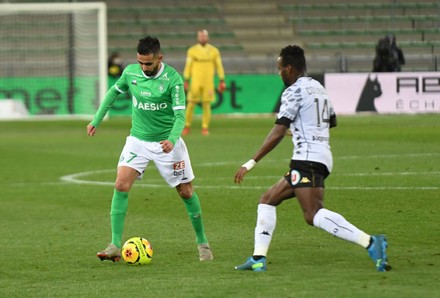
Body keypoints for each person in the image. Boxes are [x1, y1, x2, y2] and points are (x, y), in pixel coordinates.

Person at [234, 45, 391, 272]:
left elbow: (278, 130)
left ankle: (370, 242)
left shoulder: (293, 91)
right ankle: (258, 258)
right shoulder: (318, 87)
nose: (279, 74)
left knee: (313, 214)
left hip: (306, 159)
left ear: (289, 68)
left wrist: (251, 162)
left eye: (280, 69)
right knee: (267, 199)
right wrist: (304, 128)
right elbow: (332, 120)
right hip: (319, 155)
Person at [87, 36, 213, 262]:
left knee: (186, 192)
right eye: (140, 63)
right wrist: (96, 119)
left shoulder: (173, 79)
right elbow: (113, 92)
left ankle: (202, 242)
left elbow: (179, 116)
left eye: (148, 63)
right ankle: (115, 244)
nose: (144, 68)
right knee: (121, 184)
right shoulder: (131, 73)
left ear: (159, 58)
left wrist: (172, 140)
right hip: (138, 140)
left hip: (167, 143)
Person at [182, 29, 226, 136]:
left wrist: (222, 80)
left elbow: (219, 65)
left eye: (204, 36)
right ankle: (186, 126)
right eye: (200, 36)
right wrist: (186, 79)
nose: (202, 38)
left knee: (206, 104)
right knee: (191, 103)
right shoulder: (192, 51)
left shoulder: (214, 51)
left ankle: (205, 127)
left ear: (208, 37)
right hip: (195, 81)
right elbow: (188, 66)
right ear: (198, 38)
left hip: (208, 82)